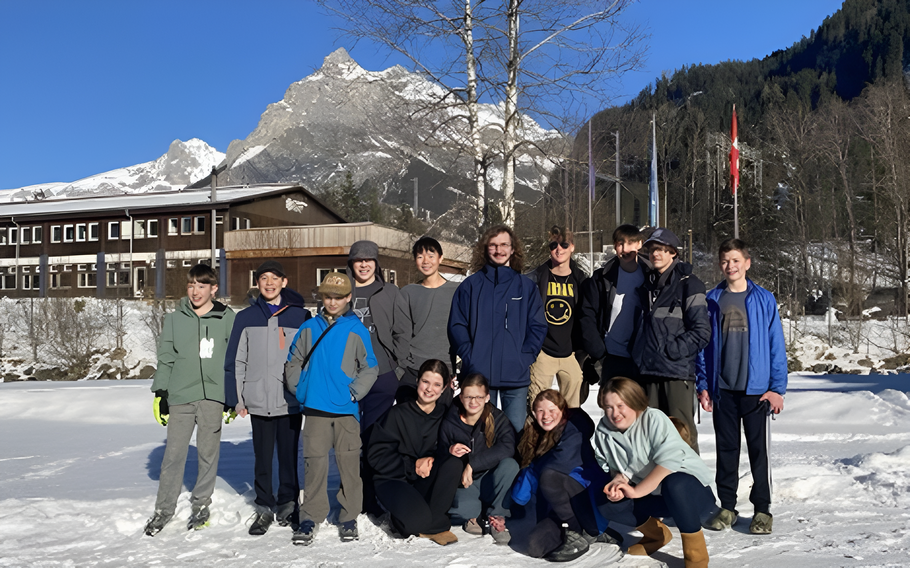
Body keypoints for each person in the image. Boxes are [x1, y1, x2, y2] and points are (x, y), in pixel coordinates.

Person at [696, 238, 788, 535]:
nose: (730, 266)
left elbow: (776, 345)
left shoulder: (764, 299)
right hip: (723, 388)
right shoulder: (712, 299)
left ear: (747, 263)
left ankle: (762, 510)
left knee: (758, 452)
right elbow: (702, 347)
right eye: (725, 261)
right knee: (726, 450)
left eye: (736, 260)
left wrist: (777, 388)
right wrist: (704, 384)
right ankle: (727, 506)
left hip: (757, 391)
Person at [284, 272, 378, 546]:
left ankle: (349, 516)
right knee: (314, 466)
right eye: (328, 296)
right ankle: (310, 516)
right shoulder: (309, 328)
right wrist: (300, 389)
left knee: (349, 466)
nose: (333, 302)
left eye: (338, 297)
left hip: (346, 412)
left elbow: (370, 367)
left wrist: (353, 392)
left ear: (349, 297)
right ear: (321, 297)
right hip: (315, 410)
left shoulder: (356, 329)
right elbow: (293, 360)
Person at [144, 264, 236, 536]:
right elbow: (166, 358)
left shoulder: (227, 318)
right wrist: (161, 393)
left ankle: (201, 505)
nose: (196, 291)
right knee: (173, 455)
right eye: (191, 285)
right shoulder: (174, 319)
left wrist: (232, 395)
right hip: (181, 395)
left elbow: (233, 360)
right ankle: (164, 509)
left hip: (213, 396)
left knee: (208, 454)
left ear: (213, 289)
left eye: (202, 286)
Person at [224, 260, 311, 535]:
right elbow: (236, 361)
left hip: (290, 401)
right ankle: (264, 507)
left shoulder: (301, 317)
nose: (269, 283)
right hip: (258, 400)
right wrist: (237, 398)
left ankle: (288, 504)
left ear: (284, 282)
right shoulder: (245, 318)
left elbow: (309, 360)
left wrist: (307, 395)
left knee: (288, 456)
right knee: (262, 458)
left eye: (275, 278)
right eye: (263, 278)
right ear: (257, 283)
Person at [594, 377, 715, 568]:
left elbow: (668, 463)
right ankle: (656, 535)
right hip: (656, 495)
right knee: (604, 500)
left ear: (634, 401)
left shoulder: (653, 419)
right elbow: (616, 466)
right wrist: (619, 481)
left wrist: (636, 491)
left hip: (693, 495)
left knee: (675, 483)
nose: (614, 413)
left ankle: (697, 559)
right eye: (608, 407)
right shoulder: (603, 431)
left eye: (620, 405)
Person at [448, 225, 547, 433]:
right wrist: (470, 355)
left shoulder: (525, 287)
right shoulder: (470, 286)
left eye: (504, 245)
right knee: (481, 434)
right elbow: (457, 325)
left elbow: (537, 326)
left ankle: (511, 467)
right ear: (485, 249)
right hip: (478, 375)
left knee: (514, 433)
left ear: (513, 249)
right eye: (493, 245)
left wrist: (525, 356)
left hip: (515, 374)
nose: (498, 250)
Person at [512, 390, 623, 562]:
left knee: (549, 476)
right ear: (534, 413)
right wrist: (507, 508)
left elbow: (557, 465)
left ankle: (589, 530)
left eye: (551, 410)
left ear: (562, 410)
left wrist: (535, 466)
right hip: (558, 511)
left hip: (584, 502)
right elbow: (526, 481)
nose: (546, 416)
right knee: (534, 547)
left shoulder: (574, 432)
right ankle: (575, 532)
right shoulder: (534, 437)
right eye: (540, 411)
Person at [366, 359, 463, 546]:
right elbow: (377, 455)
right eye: (425, 382)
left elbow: (449, 448)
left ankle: (431, 519)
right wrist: (412, 465)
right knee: (416, 522)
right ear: (417, 381)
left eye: (436, 385)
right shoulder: (397, 414)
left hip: (422, 480)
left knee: (453, 463)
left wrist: (436, 458)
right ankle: (410, 520)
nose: (429, 389)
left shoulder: (445, 415)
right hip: (394, 479)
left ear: (443, 389)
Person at [631, 228, 710, 452]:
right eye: (653, 249)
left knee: (682, 437)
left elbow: (702, 332)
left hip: (676, 373)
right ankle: (658, 487)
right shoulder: (647, 285)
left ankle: (692, 485)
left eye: (662, 249)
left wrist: (671, 351)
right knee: (652, 438)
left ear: (673, 253)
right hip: (648, 372)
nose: (656, 254)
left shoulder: (689, 284)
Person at [439, 372, 518, 544]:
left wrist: (473, 464)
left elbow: (508, 447)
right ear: (461, 397)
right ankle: (475, 513)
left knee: (510, 465)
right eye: (468, 397)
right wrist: (449, 450)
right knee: (463, 511)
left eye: (478, 397)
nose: (473, 402)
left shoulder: (498, 418)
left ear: (487, 397)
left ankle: (497, 514)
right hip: (466, 483)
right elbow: (439, 452)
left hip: (491, 479)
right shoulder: (450, 421)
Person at [392, 236, 460, 403]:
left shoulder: (457, 291)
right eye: (420, 256)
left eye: (431, 255)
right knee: (408, 421)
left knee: (439, 424)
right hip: (413, 368)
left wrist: (457, 371)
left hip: (445, 370)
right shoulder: (408, 292)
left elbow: (464, 331)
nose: (425, 261)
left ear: (440, 258)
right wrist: (401, 367)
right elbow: (401, 331)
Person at [526, 226, 587, 408]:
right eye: (554, 245)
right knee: (536, 407)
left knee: (573, 410)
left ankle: (568, 437)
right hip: (542, 352)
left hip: (570, 353)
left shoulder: (582, 280)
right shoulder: (534, 278)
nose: (559, 249)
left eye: (564, 244)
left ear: (573, 247)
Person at [579, 224, 648, 383]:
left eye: (630, 243)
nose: (625, 249)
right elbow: (587, 315)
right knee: (613, 406)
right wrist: (599, 352)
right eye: (620, 243)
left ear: (639, 244)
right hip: (612, 358)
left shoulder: (651, 276)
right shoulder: (601, 279)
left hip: (643, 359)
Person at [347, 240, 400, 431]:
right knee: (348, 432)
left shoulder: (390, 292)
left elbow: (401, 331)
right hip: (348, 373)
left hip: (383, 372)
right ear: (351, 263)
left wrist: (397, 369)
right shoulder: (340, 292)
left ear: (376, 263)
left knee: (376, 432)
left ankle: (372, 462)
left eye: (369, 259)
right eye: (358, 260)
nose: (363, 265)